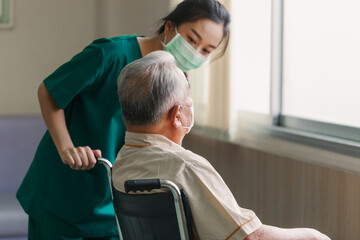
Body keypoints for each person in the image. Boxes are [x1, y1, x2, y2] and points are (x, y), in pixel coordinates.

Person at [16, 0, 230, 239]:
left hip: (115, 206)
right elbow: (49, 91)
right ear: (170, 27)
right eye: (192, 39)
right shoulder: (110, 54)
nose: (195, 53)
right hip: (63, 194)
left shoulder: (177, 81)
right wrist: (67, 149)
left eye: (206, 50)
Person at [112, 50, 331, 240]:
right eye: (189, 101)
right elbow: (250, 237)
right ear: (177, 115)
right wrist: (313, 235)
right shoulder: (184, 167)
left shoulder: (121, 164)